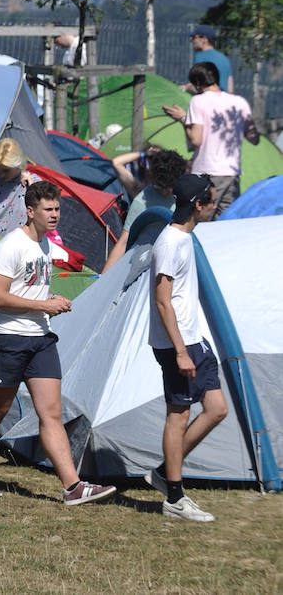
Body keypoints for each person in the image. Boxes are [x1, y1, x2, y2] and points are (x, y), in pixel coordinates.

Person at [0, 180, 116, 506]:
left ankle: (72, 486)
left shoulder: (45, 245)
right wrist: (45, 305)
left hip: (39, 339)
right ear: (30, 212)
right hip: (6, 338)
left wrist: (48, 299)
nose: (55, 215)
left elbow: (29, 289)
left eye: (58, 209)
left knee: (51, 412)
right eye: (49, 209)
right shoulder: (10, 245)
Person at [146, 174, 229, 522]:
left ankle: (166, 471)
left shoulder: (184, 238)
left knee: (216, 408)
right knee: (177, 416)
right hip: (176, 344)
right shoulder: (169, 243)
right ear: (197, 205)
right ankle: (175, 498)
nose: (215, 205)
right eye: (210, 200)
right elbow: (163, 301)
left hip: (194, 339)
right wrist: (180, 351)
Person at [162, 62, 259, 219]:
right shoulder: (239, 102)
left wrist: (183, 119)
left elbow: (196, 139)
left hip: (207, 172)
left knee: (200, 221)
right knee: (227, 223)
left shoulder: (198, 101)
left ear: (198, 83)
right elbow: (254, 138)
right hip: (232, 173)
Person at [103, 147, 188, 270]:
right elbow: (124, 241)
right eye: (161, 187)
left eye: (170, 187)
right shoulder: (142, 198)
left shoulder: (186, 196)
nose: (165, 192)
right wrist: (102, 278)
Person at [186, 25, 232, 94]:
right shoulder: (224, 58)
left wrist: (185, 87)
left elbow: (198, 85)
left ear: (204, 39)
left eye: (194, 37)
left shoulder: (200, 57)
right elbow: (230, 87)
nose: (191, 40)